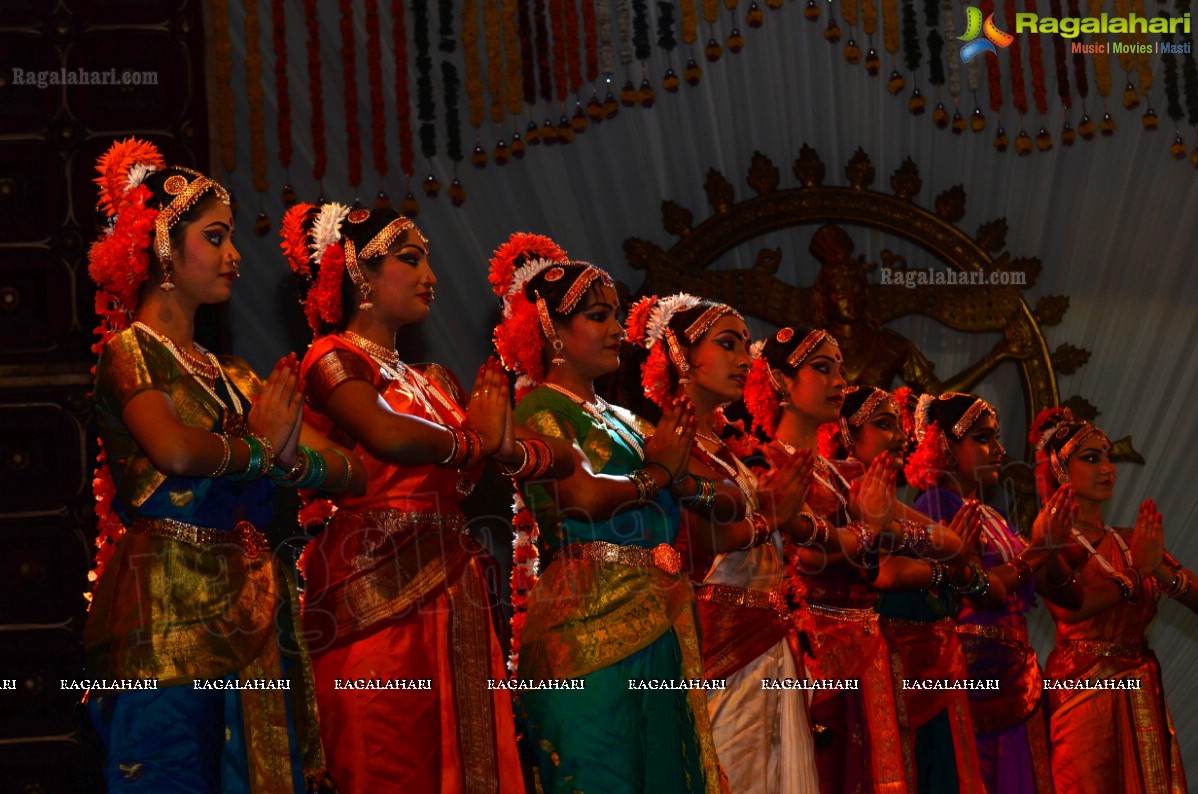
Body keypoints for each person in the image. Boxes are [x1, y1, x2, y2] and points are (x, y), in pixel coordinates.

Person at [84, 139, 363, 793]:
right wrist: (265, 452)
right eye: (216, 238)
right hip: (168, 617)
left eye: (232, 238)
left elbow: (353, 471)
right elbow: (175, 451)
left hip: (254, 617)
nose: (235, 256)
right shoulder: (131, 352)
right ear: (160, 247)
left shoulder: (233, 375)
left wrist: (289, 460)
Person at [281, 203, 534, 793]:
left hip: (453, 587)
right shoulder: (333, 358)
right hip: (375, 586)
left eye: (428, 261)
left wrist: (490, 442)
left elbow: (473, 474)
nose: (431, 276)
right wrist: (473, 438)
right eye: (411, 259)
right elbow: (385, 435)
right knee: (390, 754)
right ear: (361, 274)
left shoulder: (435, 380)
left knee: (466, 756)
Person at [489, 238, 724, 793]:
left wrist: (738, 496)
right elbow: (584, 499)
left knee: (664, 772)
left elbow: (701, 495)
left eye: (617, 314)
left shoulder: (624, 417)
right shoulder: (538, 409)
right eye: (599, 316)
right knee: (604, 773)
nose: (617, 327)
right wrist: (662, 474)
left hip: (658, 618)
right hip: (585, 620)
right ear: (551, 331)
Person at [626, 294, 818, 793]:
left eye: (743, 347)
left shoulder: (733, 447)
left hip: (768, 635)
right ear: (682, 357)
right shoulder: (669, 440)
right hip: (718, 643)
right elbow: (711, 534)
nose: (743, 359)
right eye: (727, 345)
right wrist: (771, 516)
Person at [743, 326, 907, 794]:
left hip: (867, 646)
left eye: (840, 369)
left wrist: (882, 532)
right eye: (822, 368)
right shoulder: (764, 463)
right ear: (779, 379)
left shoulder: (843, 472)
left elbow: (943, 541)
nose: (840, 381)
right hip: (810, 651)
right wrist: (871, 530)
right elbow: (812, 557)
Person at [903, 393, 1078, 794]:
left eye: (996, 438)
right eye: (984, 438)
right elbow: (980, 588)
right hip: (973, 684)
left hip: (1016, 683)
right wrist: (1038, 550)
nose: (999, 450)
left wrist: (1050, 548)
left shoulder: (993, 515)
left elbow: (1071, 600)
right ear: (945, 445)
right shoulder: (935, 506)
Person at [824, 386, 987, 792]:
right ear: (847, 434)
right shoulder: (841, 489)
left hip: (914, 657)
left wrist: (905, 536)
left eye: (899, 426)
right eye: (884, 425)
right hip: (867, 654)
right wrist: (942, 569)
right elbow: (884, 573)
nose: (900, 436)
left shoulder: (874, 493)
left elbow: (952, 546)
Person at [1033, 408, 1195, 793]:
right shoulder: (1054, 543)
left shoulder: (1130, 540)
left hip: (1140, 694)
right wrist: (1137, 573)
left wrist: (1162, 572)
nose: (1108, 468)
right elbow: (1070, 606)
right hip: (1083, 698)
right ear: (1060, 470)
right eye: (1091, 458)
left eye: (1108, 457)